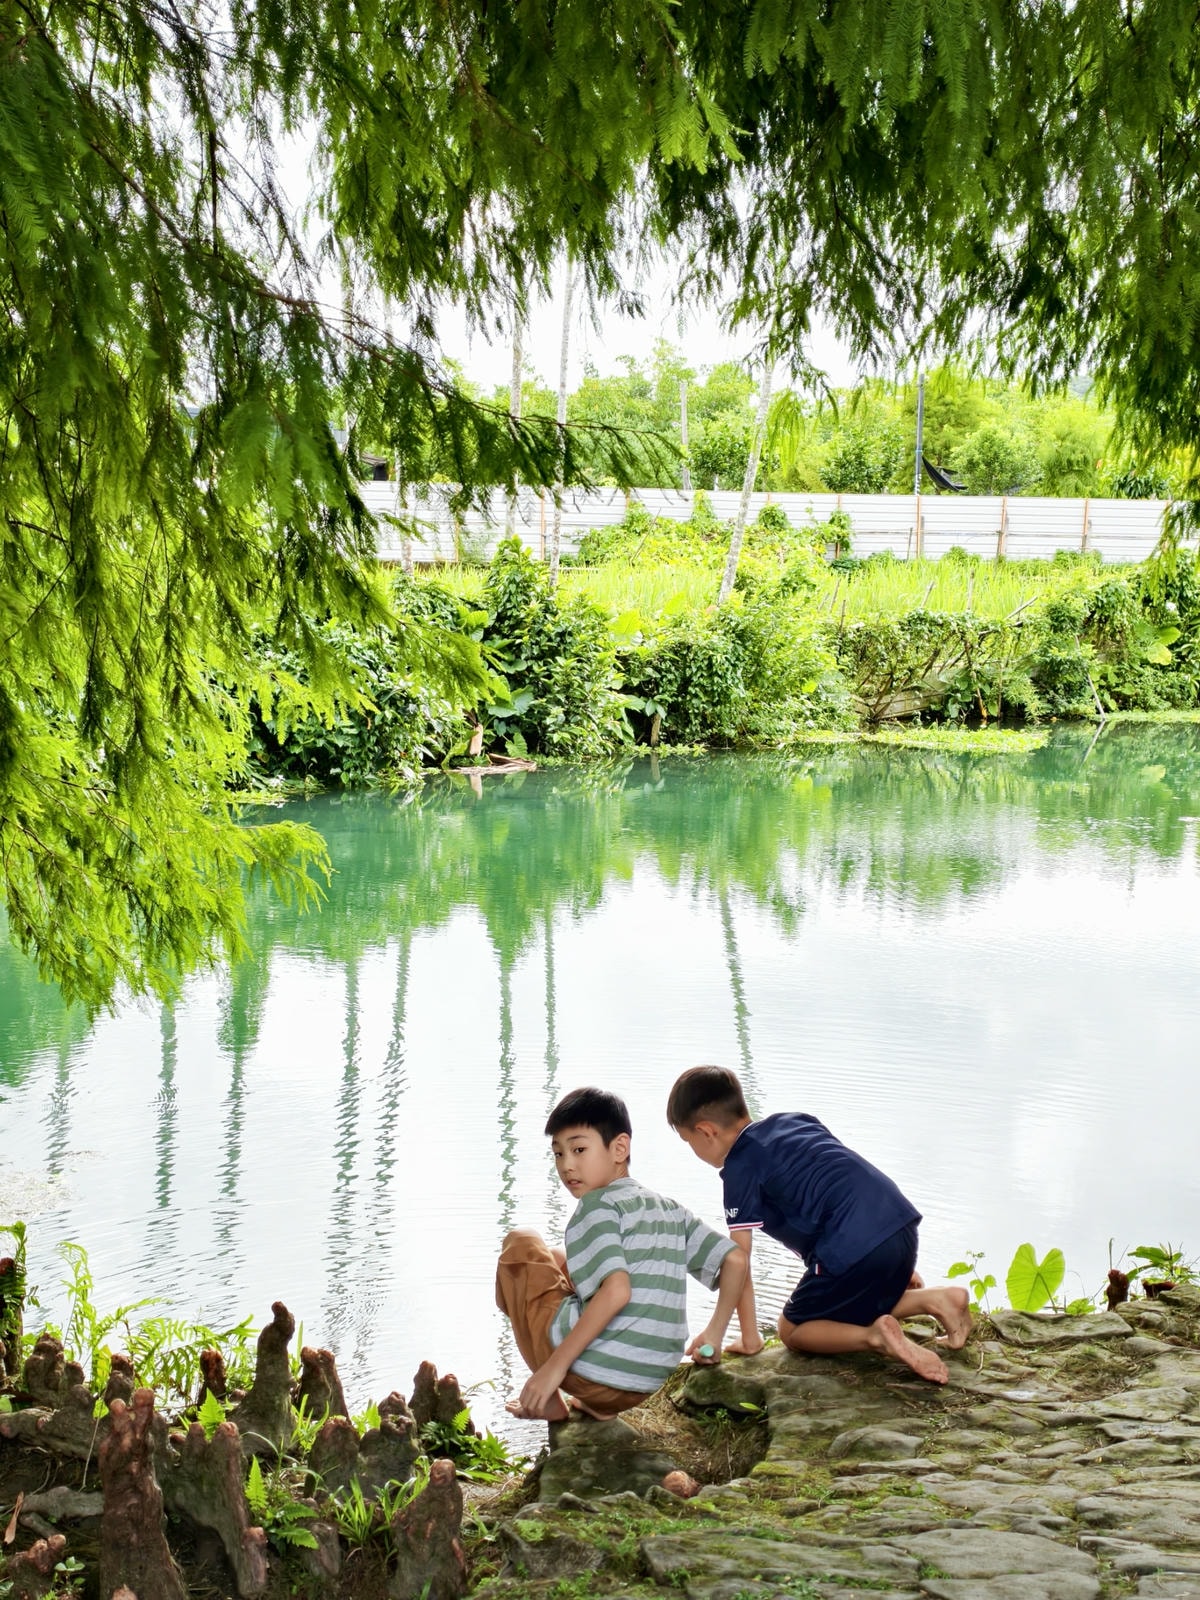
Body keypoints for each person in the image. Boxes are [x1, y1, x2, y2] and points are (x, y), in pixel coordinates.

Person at [666, 1064, 971, 1383]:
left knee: (793, 1330)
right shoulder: (795, 1121)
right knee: (846, 1293)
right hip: (899, 1227)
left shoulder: (740, 1168)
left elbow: (738, 1261)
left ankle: (876, 1338)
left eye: (690, 1142)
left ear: (706, 1131)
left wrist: (723, 1332)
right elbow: (840, 1182)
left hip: (854, 1251)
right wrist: (895, 1264)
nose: (694, 1151)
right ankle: (937, 1299)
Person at [496, 1085, 748, 1421]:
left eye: (579, 1149)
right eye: (558, 1154)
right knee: (556, 1259)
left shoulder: (596, 1206)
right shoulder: (668, 1208)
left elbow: (617, 1291)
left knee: (521, 1245)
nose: (567, 1166)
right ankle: (597, 1407)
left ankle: (551, 1400)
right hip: (648, 1380)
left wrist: (551, 1371)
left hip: (596, 1374)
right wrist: (714, 1333)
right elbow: (734, 1260)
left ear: (619, 1148)